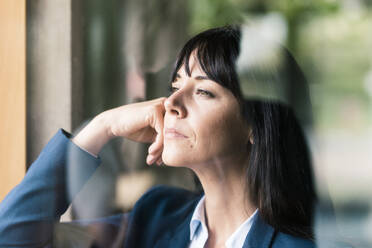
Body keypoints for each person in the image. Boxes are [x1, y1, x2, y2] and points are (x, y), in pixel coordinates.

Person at [0, 26, 316, 248]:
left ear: (256, 124)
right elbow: (11, 238)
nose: (171, 104)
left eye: (203, 91)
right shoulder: (155, 216)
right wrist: (102, 126)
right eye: (176, 87)